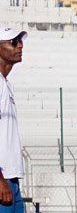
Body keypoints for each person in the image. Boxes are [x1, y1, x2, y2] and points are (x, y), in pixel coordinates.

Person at [0, 28, 26, 213]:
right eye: (13, 41)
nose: (20, 45)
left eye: (20, 41)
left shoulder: (5, 84)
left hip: (11, 179)